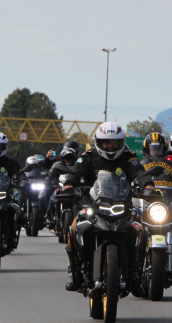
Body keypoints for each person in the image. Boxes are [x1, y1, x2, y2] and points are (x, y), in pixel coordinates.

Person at [62, 121, 145, 293]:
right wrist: (69, 185)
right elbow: (75, 172)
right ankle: (75, 271)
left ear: (121, 142)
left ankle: (135, 273)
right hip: (93, 206)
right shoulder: (88, 156)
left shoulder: (129, 157)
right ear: (99, 142)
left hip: (123, 207)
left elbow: (140, 173)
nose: (110, 146)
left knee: (141, 231)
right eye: (106, 142)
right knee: (74, 228)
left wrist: (148, 186)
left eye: (114, 142)